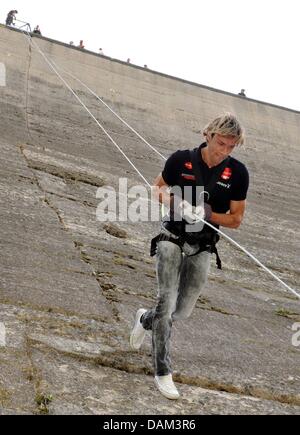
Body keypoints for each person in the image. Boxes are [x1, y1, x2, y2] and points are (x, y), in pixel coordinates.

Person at [130, 113, 249, 400]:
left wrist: (208, 214)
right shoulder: (180, 159)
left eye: (231, 147)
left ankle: (145, 319)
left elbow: (236, 219)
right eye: (221, 143)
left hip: (204, 244)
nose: (224, 151)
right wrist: (179, 204)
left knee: (180, 311)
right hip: (172, 235)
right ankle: (162, 371)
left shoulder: (239, 173)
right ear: (208, 135)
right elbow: (157, 188)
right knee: (166, 300)